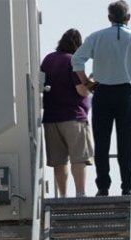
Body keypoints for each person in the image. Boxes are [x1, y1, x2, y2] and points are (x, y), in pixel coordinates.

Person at [71, 1, 131, 196]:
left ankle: (103, 186)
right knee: (126, 143)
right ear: (128, 18)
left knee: (102, 142)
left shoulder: (97, 37)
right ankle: (127, 187)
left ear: (109, 18)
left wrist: (88, 84)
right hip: (126, 93)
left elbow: (76, 60)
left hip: (103, 93)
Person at [42, 29, 94, 198]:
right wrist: (93, 82)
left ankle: (62, 196)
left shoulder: (48, 59)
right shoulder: (73, 61)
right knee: (79, 158)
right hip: (73, 117)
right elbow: (82, 91)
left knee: (59, 161)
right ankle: (80, 193)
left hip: (51, 118)